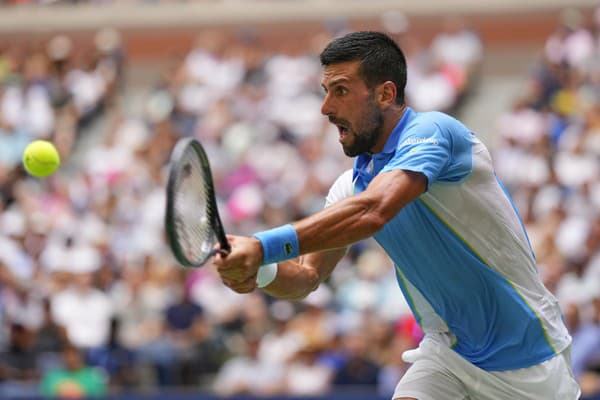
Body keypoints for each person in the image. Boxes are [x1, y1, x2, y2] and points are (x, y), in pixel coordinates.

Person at [213, 31, 580, 400]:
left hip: (528, 358)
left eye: (339, 91)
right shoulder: (350, 187)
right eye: (325, 91)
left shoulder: (435, 133)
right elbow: (307, 276)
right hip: (448, 354)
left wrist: (262, 247)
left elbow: (376, 210)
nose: (325, 108)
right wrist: (259, 269)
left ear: (386, 94)